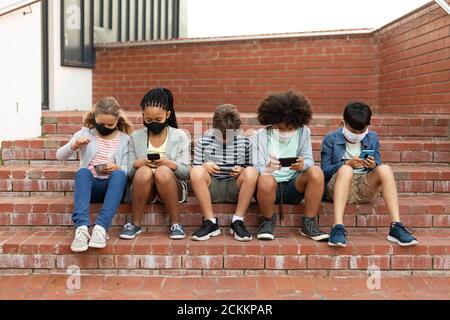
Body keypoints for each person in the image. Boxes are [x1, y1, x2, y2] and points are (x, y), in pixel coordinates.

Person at [321, 101, 418, 247]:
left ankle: (396, 226)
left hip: (364, 186)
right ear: (342, 122)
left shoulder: (372, 137)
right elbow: (324, 172)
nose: (357, 135)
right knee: (346, 170)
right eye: (353, 131)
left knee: (385, 168)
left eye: (361, 131)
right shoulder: (331, 139)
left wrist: (373, 165)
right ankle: (337, 227)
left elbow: (377, 163)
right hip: (338, 187)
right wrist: (345, 164)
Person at [56, 97, 133, 252]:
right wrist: (74, 145)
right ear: (94, 118)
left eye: (109, 124)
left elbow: (131, 168)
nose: (104, 127)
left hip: (113, 188)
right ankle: (81, 229)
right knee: (83, 172)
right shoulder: (85, 134)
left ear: (117, 120)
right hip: (90, 187)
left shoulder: (125, 139)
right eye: (100, 124)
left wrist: (118, 167)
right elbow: (60, 155)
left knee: (119, 175)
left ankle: (100, 228)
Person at [252, 91, 329, 241]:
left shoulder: (303, 132)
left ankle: (309, 223)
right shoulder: (259, 136)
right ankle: (267, 221)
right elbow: (255, 167)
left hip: (294, 186)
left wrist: (302, 165)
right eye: (281, 128)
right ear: (271, 121)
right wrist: (267, 168)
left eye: (290, 128)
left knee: (316, 172)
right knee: (266, 178)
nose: (286, 132)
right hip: (267, 189)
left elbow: (309, 161)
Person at [120, 87, 191, 240]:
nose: (154, 123)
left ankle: (176, 224)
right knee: (144, 171)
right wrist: (138, 163)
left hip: (171, 185)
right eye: (149, 120)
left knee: (162, 171)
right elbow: (128, 175)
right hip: (144, 187)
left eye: (158, 120)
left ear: (168, 115)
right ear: (143, 116)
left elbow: (186, 172)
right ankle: (135, 224)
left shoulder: (180, 136)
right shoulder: (135, 137)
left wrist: (168, 163)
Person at [190, 104, 258, 241]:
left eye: (230, 136)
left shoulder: (245, 143)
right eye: (222, 136)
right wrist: (204, 165)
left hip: (235, 188)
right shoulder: (202, 142)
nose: (226, 141)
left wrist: (242, 169)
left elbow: (250, 168)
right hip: (211, 188)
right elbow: (195, 170)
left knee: (251, 171)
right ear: (213, 128)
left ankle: (237, 221)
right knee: (196, 170)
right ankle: (210, 222)